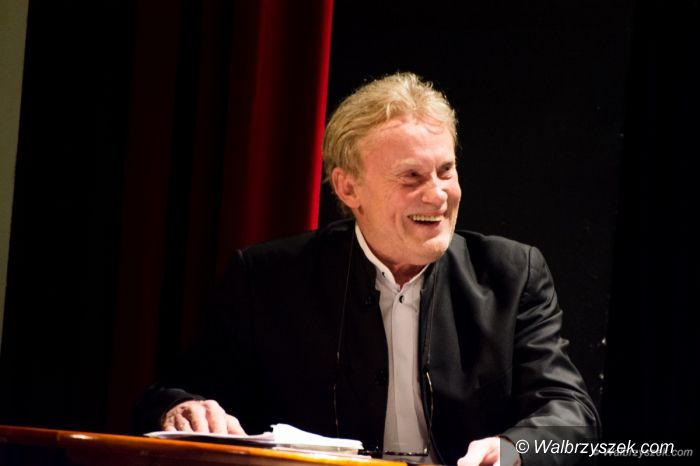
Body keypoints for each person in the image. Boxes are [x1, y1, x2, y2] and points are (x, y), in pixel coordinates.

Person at [134, 72, 599, 466]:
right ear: (348, 187)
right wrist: (182, 409)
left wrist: (513, 450)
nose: (437, 195)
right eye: (411, 176)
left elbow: (571, 413)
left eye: (446, 171)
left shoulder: (511, 273)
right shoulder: (267, 278)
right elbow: (173, 394)